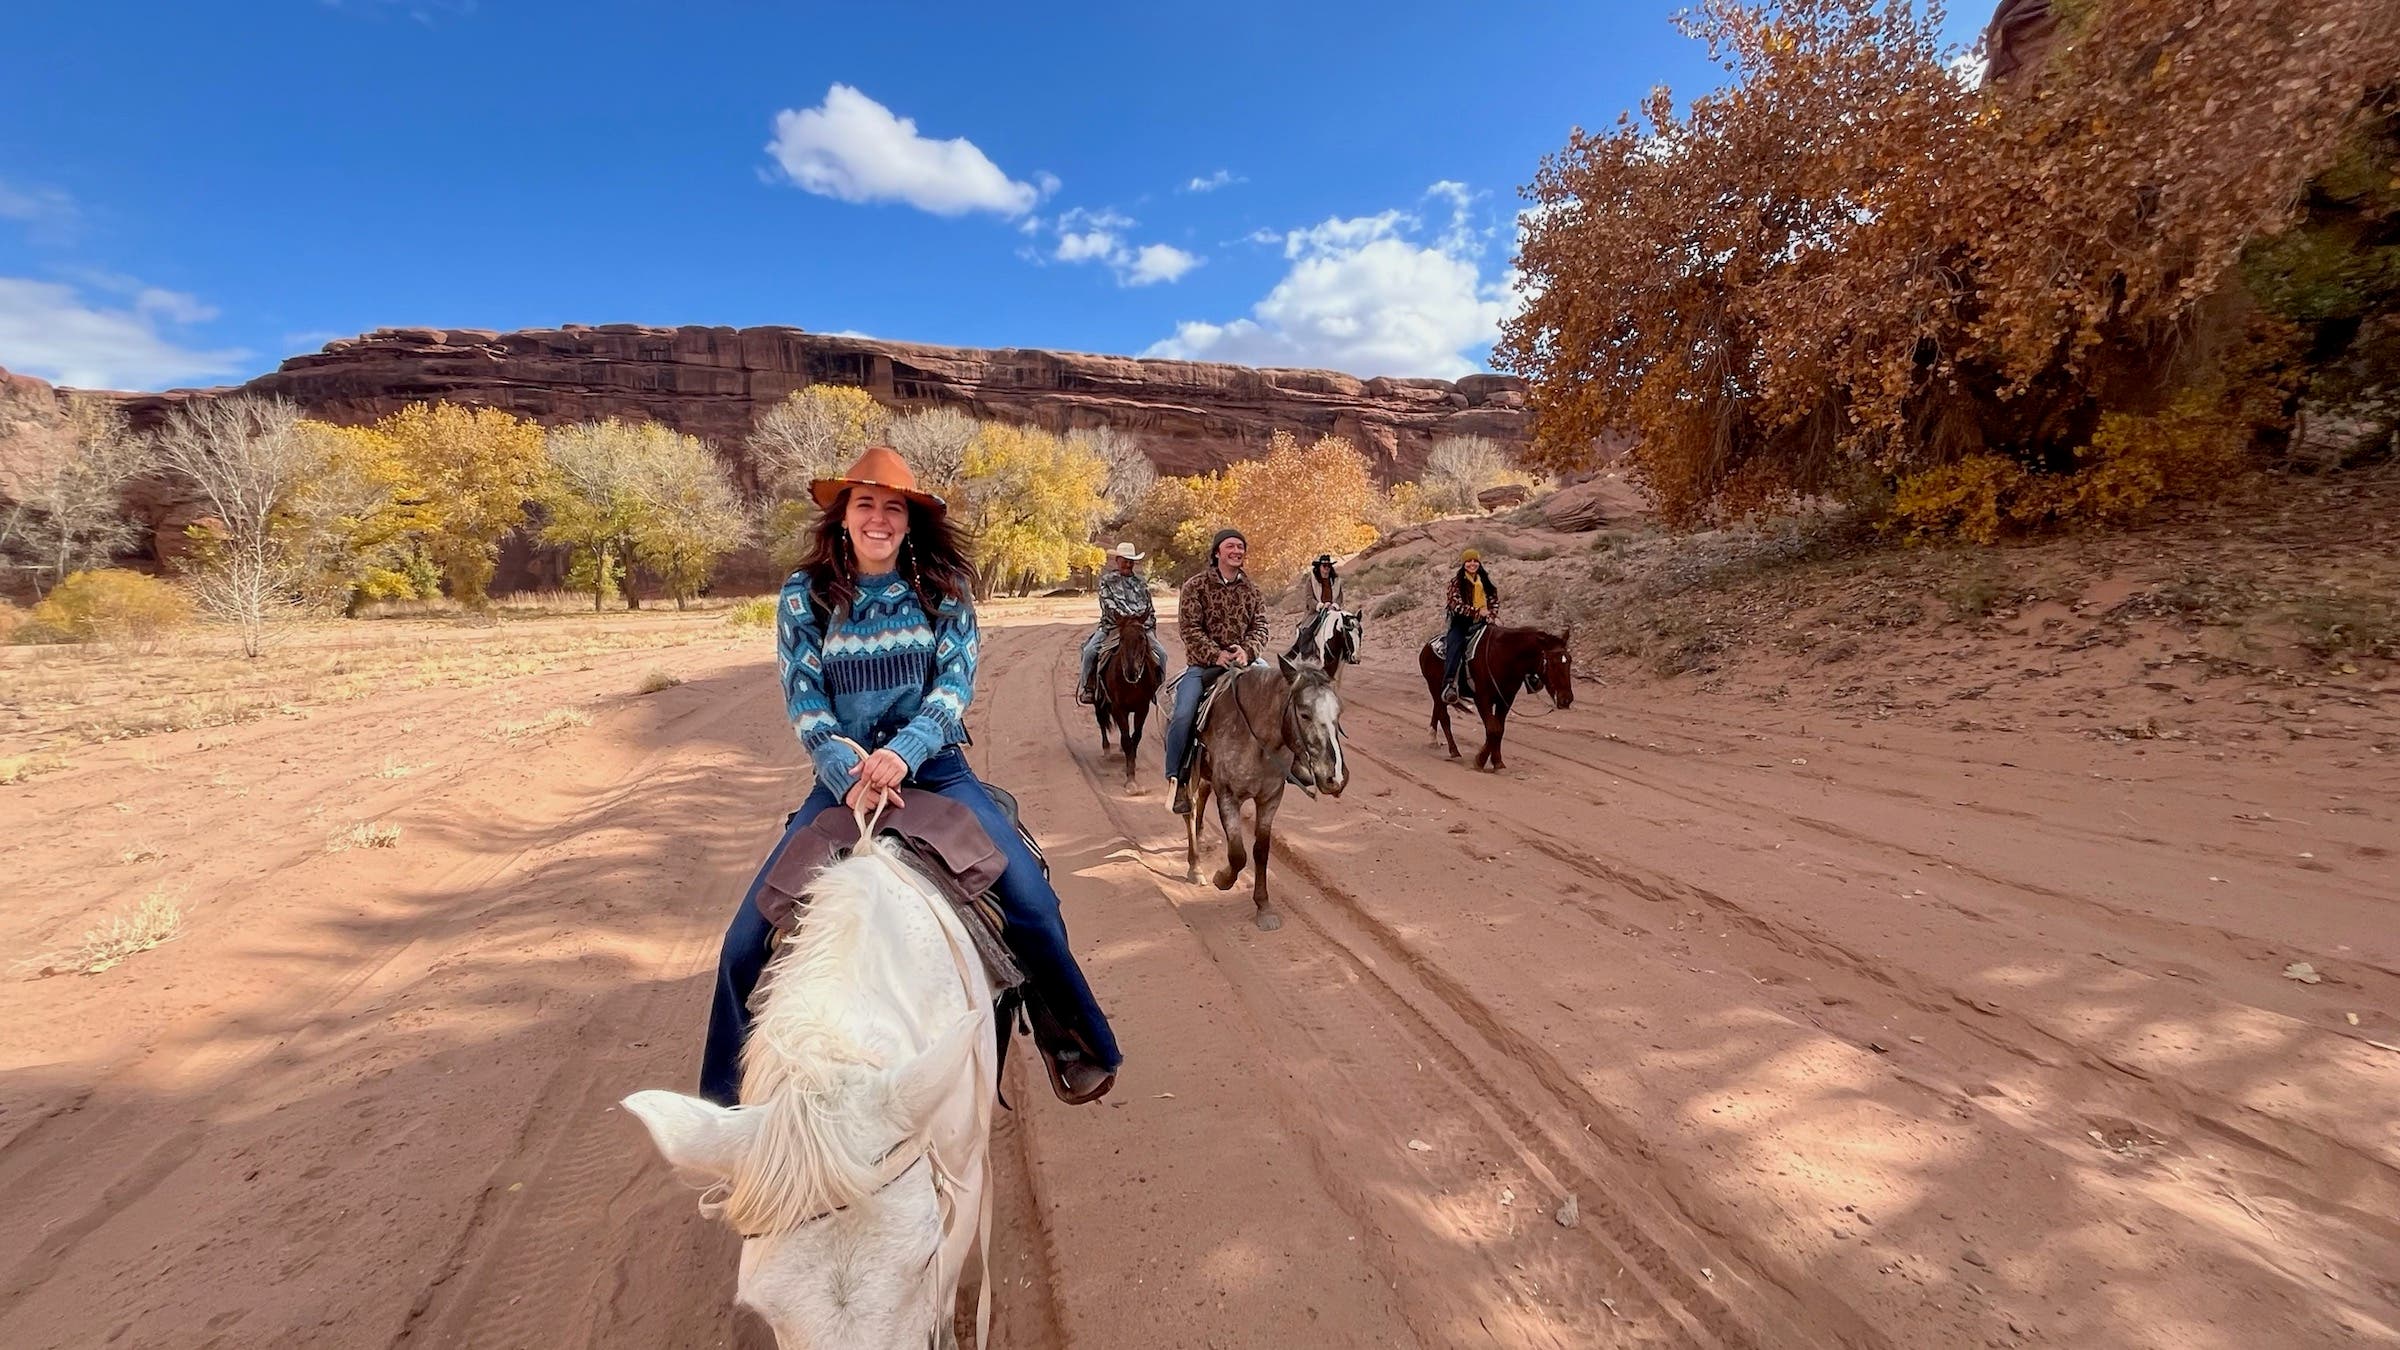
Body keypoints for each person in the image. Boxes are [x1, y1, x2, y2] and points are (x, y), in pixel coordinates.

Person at [701, 445, 1121, 1108]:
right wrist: (847, 772)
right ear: (843, 516)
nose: (878, 518)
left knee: (1035, 908)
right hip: (843, 781)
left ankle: (1072, 1040)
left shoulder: (942, 586)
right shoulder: (802, 594)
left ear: (908, 521)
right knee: (743, 942)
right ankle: (727, 1108)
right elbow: (803, 699)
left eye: (892, 507)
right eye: (864, 504)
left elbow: (955, 685)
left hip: (936, 773)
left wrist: (906, 751)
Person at [1162, 527, 1269, 815]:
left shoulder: (1252, 590)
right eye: (1231, 546)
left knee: (1281, 693)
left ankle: (1288, 765)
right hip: (1204, 665)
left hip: (1245, 661)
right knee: (1183, 714)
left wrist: (1247, 651)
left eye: (1241, 547)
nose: (1237, 551)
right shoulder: (1195, 586)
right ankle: (1178, 779)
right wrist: (1215, 654)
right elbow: (1189, 628)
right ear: (1217, 552)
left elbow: (1261, 627)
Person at [1076, 542, 1166, 704]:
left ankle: (1158, 689)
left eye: (1131, 560)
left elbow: (1149, 608)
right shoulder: (1107, 581)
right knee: (1090, 651)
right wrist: (1125, 620)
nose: (1128, 564)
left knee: (1161, 654)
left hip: (1140, 627)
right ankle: (1089, 687)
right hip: (1113, 626)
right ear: (1117, 560)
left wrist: (1144, 626)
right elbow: (1107, 605)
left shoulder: (1141, 583)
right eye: (1125, 560)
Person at [1440, 548, 1498, 705]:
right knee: (1455, 646)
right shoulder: (1456, 582)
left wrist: (1491, 615)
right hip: (1462, 623)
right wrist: (1478, 612)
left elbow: (1493, 600)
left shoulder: (1485, 580)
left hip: (1484, 622)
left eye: (1475, 561)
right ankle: (1450, 684)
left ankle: (1526, 677)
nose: (1472, 564)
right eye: (1469, 561)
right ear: (1464, 563)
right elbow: (1455, 604)